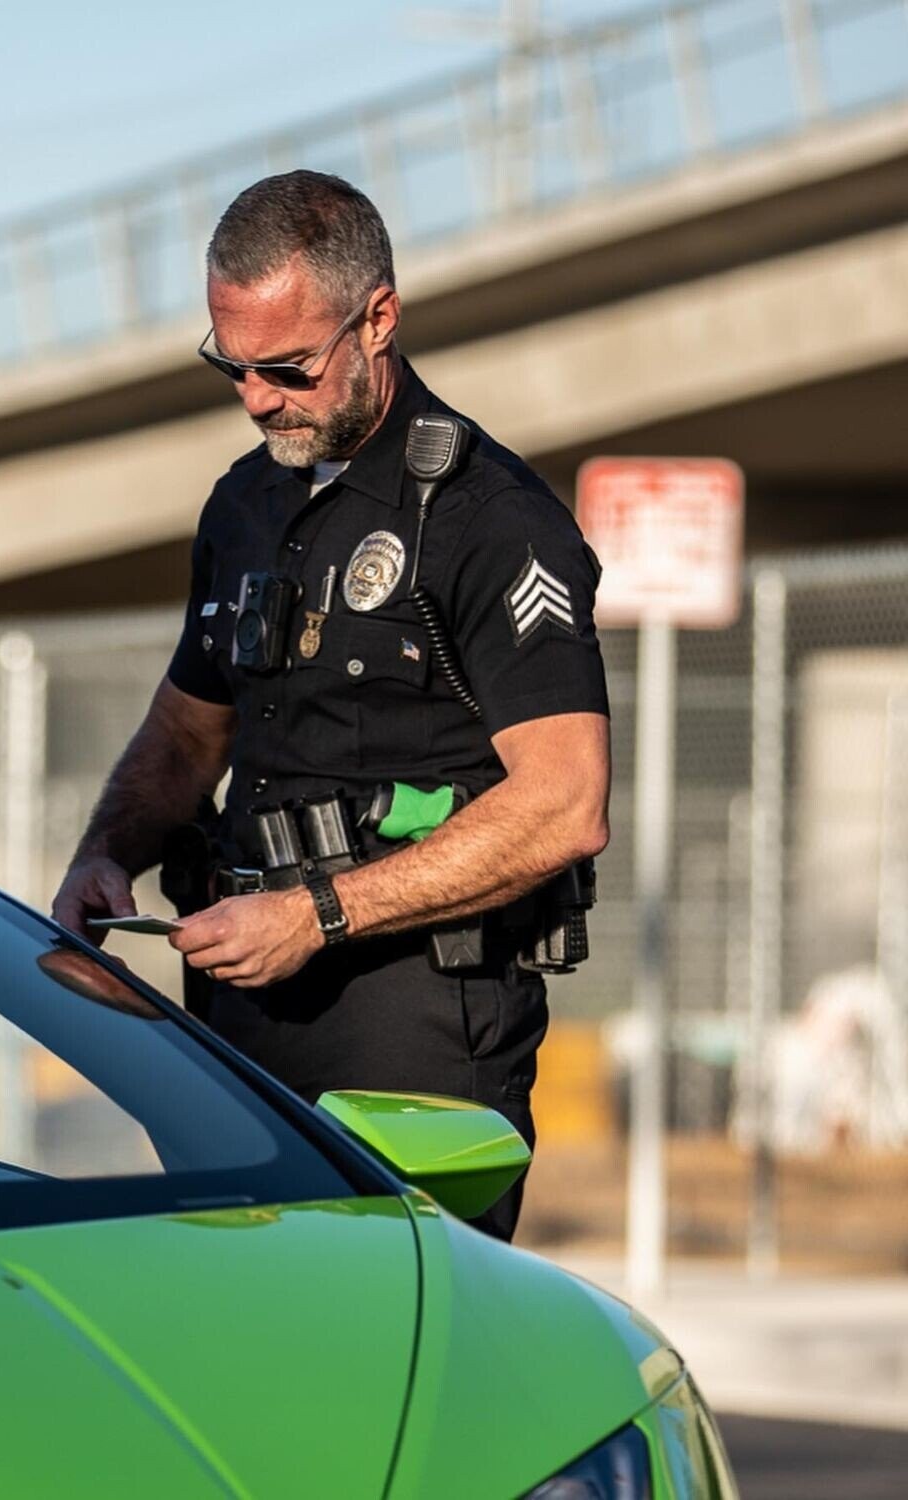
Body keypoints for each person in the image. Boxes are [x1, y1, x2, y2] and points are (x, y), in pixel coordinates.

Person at [53, 170, 610, 1241]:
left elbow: (565, 803)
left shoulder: (494, 523)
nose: (258, 396)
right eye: (233, 366)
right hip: (241, 1013)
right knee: (230, 1345)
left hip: (413, 1031)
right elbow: (187, 727)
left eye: (288, 367)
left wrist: (315, 916)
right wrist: (103, 854)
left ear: (380, 319)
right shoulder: (246, 501)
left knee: (391, 1352)